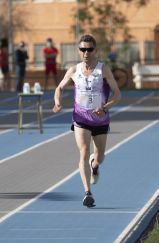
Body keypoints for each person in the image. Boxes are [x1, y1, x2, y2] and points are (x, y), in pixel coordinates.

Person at [53, 34, 121, 208]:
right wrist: (58, 102)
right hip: (81, 118)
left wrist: (105, 107)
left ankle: (94, 164)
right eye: (83, 49)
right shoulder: (74, 71)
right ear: (79, 51)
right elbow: (59, 87)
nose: (86, 52)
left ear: (94, 50)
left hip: (100, 119)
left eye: (89, 49)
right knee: (83, 151)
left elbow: (117, 94)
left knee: (100, 157)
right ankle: (87, 193)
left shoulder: (103, 70)